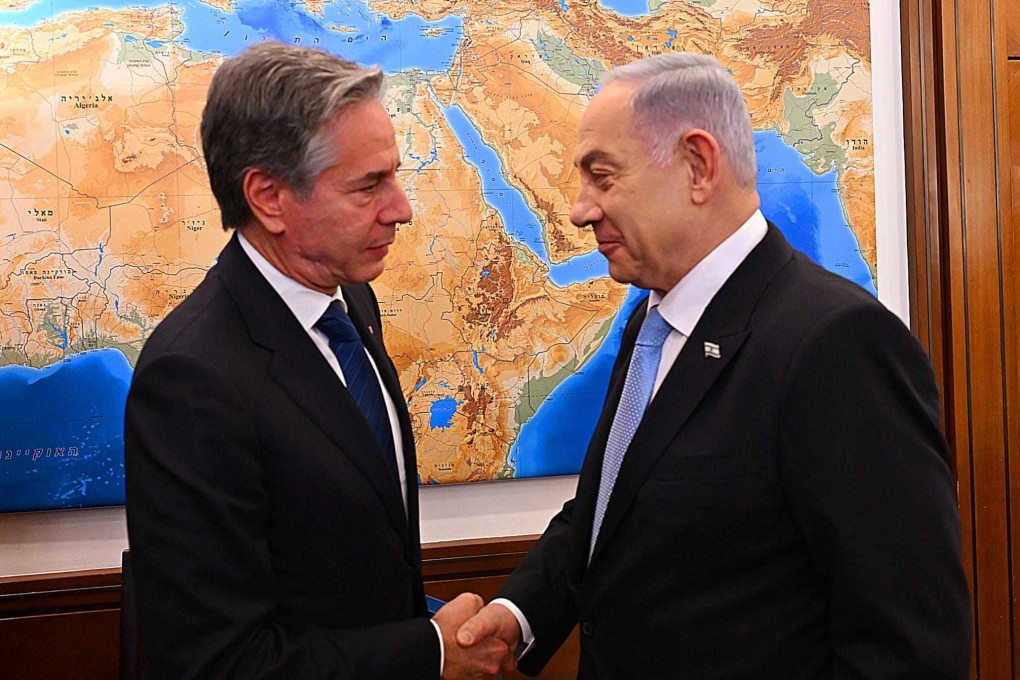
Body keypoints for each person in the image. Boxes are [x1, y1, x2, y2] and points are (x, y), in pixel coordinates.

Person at [456, 53, 971, 679]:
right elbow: (609, 509)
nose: (579, 210)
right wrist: (517, 614)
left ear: (698, 166)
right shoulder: (653, 323)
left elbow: (910, 645)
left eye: (603, 177)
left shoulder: (836, 345)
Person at [124, 42, 507, 680]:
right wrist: (431, 653)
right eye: (369, 186)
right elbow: (216, 662)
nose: (402, 209)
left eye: (395, 175)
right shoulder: (192, 380)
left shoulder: (352, 298)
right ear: (270, 198)